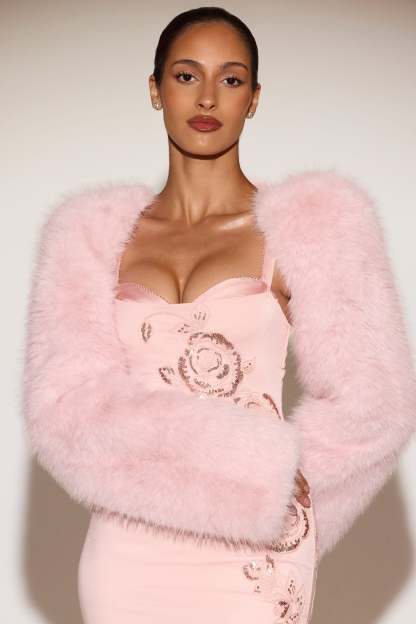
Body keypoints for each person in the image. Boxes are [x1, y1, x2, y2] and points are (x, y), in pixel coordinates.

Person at [22, 7, 416, 624]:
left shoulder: (315, 228)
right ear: (156, 89)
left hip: (254, 554)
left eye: (231, 80)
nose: (207, 97)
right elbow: (64, 410)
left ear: (253, 99)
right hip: (128, 550)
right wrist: (250, 463)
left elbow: (378, 402)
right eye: (186, 75)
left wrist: (282, 486)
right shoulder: (88, 238)